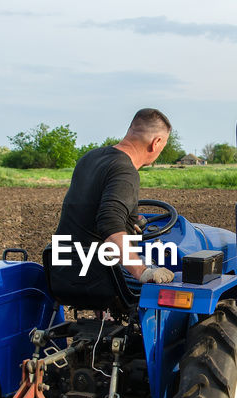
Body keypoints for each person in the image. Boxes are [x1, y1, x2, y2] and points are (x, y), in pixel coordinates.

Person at [47, 108, 176, 309]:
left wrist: (129, 219)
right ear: (156, 142)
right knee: (174, 280)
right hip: (99, 276)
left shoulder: (90, 158)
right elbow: (109, 223)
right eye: (163, 146)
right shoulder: (126, 170)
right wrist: (142, 270)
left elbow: (87, 212)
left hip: (62, 269)